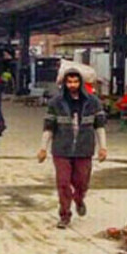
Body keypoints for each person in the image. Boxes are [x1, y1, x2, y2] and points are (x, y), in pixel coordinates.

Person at [37, 69, 107, 229]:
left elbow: (100, 126)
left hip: (84, 149)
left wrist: (103, 147)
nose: (72, 85)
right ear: (64, 83)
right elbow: (48, 127)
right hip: (61, 149)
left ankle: (79, 198)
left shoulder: (93, 102)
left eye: (75, 82)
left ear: (81, 83)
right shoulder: (55, 103)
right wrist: (43, 148)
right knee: (63, 182)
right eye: (69, 82)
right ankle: (64, 214)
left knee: (82, 181)